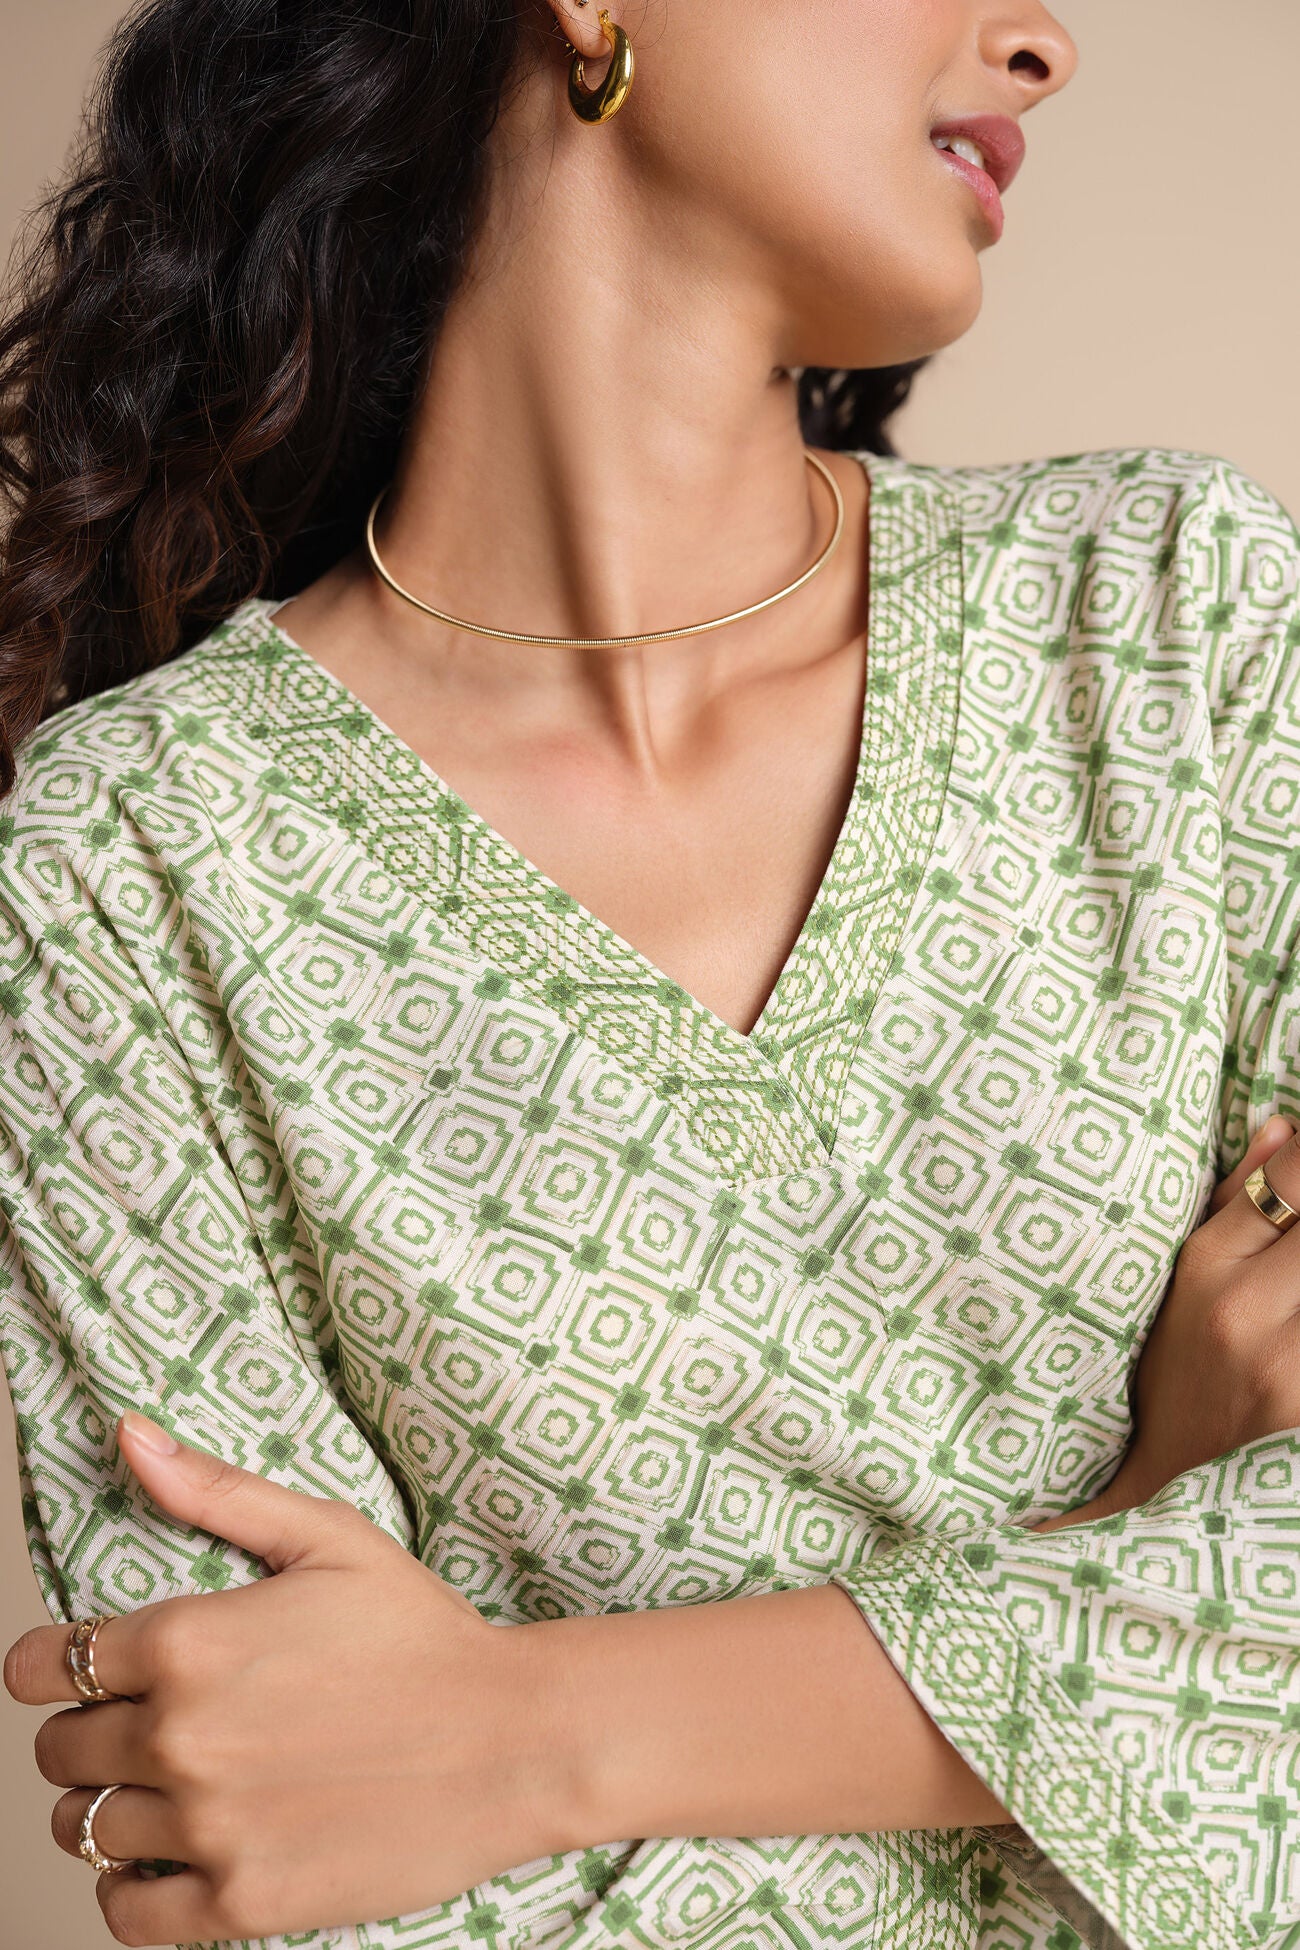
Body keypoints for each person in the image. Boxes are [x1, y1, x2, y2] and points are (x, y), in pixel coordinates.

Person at [0, 3, 1298, 1948]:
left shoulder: (1172, 620)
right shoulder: (132, 860)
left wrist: (512, 1739)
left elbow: (381, 1786)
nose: (1040, 42)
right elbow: (285, 1844)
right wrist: (1133, 1555)